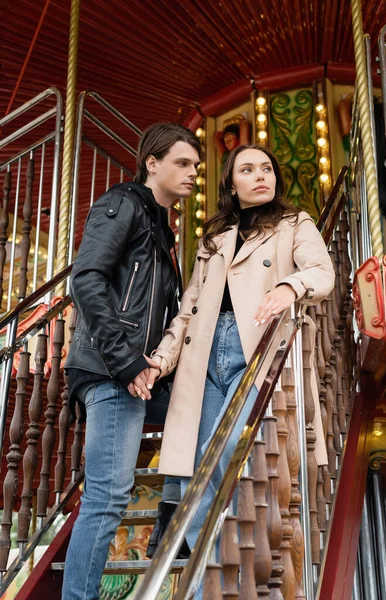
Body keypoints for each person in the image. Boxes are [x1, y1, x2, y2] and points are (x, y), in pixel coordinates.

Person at [139, 143, 335, 596]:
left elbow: (321, 272)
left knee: (222, 450)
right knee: (192, 469)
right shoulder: (216, 237)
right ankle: (210, 577)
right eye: (247, 170)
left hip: (258, 349)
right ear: (232, 183)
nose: (260, 175)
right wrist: (162, 361)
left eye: (266, 168)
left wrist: (290, 285)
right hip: (205, 355)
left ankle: (216, 579)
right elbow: (188, 309)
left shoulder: (293, 224)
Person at [62, 122, 200, 600]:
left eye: (197, 167)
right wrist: (126, 362)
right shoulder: (123, 203)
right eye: (182, 163)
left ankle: (167, 517)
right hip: (111, 369)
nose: (192, 174)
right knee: (107, 496)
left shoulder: (162, 230)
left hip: (140, 372)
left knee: (205, 412)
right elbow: (86, 279)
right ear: (153, 163)